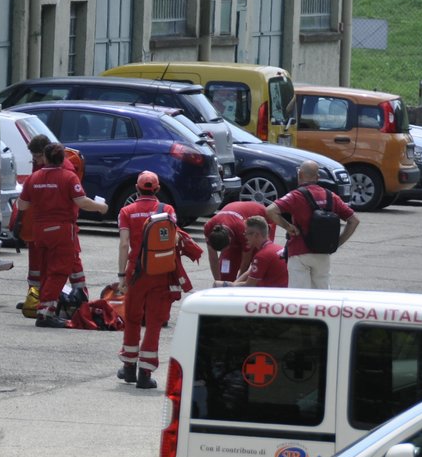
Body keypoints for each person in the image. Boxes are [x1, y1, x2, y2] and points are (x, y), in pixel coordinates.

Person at [115, 170, 203, 389]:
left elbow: (124, 244)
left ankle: (128, 368)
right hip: (161, 271)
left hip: (136, 272)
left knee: (133, 319)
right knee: (154, 322)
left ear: (136, 188)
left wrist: (120, 275)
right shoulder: (167, 210)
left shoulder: (126, 211)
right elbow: (173, 237)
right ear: (157, 189)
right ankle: (145, 373)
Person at [19, 143, 106, 327]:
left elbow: (22, 205)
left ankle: (45, 307)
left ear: (46, 158)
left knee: (43, 269)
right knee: (59, 271)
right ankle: (46, 313)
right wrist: (101, 207)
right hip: (61, 230)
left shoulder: (33, 177)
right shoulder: (68, 177)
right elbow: (82, 202)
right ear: (62, 159)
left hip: (39, 230)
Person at [265, 161, 358, 288]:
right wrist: (338, 242)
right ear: (317, 177)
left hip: (299, 252)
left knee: (300, 299)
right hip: (323, 253)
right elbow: (354, 220)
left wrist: (288, 227)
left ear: (300, 175)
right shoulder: (331, 196)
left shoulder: (296, 195)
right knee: (321, 296)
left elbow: (270, 210)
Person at [200, 199, 275, 285]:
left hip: (262, 221)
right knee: (225, 273)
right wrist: (219, 283)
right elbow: (213, 258)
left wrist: (236, 284)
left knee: (258, 267)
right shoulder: (209, 227)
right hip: (235, 224)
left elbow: (246, 262)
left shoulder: (243, 229)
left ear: (230, 240)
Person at [234, 214, 288, 287]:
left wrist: (227, 285)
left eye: (246, 233)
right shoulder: (276, 248)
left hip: (274, 294)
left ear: (256, 235)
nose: (245, 237)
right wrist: (234, 283)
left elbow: (249, 285)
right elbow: (250, 271)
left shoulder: (262, 256)